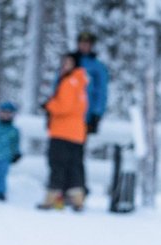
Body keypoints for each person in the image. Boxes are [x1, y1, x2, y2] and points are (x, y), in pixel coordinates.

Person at [38, 53, 88, 211]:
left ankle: (51, 198)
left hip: (62, 131)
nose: (64, 65)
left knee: (57, 164)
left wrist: (49, 105)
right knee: (75, 166)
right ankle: (77, 199)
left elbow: (64, 107)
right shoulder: (81, 82)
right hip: (77, 133)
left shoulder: (68, 82)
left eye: (68, 63)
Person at [74, 31, 109, 134]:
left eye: (87, 43)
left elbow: (101, 91)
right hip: (66, 115)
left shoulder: (97, 67)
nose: (84, 46)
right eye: (82, 43)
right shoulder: (71, 62)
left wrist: (97, 114)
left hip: (86, 115)